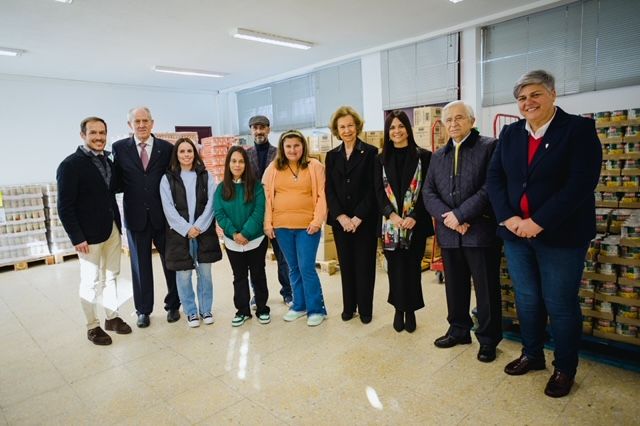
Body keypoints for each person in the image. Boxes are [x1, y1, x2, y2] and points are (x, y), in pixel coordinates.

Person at [487, 70, 601, 397]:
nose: (528, 102)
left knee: (560, 303)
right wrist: (508, 218)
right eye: (522, 98)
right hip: (515, 235)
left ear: (552, 94)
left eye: (535, 94)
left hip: (561, 236)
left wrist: (538, 221)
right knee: (526, 298)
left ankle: (565, 367)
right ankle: (532, 354)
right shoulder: (510, 134)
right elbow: (495, 179)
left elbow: (580, 183)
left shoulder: (578, 130)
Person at [423, 101, 502, 362]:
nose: (454, 123)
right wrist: (450, 219)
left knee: (486, 288)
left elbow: (490, 188)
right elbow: (428, 192)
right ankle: (458, 330)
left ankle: (488, 339)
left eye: (459, 118)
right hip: (449, 233)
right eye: (449, 120)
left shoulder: (489, 147)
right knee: (454, 286)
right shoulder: (438, 156)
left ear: (472, 120)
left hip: (479, 232)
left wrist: (460, 215)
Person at [57, 117, 131, 345]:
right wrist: (76, 237)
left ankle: (112, 317)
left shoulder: (107, 161)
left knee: (112, 277)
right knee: (90, 281)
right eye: (93, 133)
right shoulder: (70, 165)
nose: (99, 137)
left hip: (111, 229)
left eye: (102, 133)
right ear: (83, 135)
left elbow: (113, 189)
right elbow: (64, 206)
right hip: (88, 236)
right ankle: (93, 326)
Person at [112, 107, 180, 328]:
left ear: (152, 123)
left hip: (163, 216)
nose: (141, 125)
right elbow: (116, 182)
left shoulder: (166, 148)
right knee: (140, 267)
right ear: (129, 124)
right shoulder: (119, 149)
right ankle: (143, 310)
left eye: (145, 121)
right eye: (137, 121)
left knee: (170, 262)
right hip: (135, 217)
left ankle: (173, 305)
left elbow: (173, 181)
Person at [374, 110, 434, 333]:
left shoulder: (424, 156)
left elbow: (428, 190)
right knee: (395, 270)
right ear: (387, 132)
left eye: (400, 126)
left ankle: (411, 311)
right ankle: (398, 309)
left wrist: (413, 216)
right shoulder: (380, 159)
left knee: (411, 269)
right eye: (392, 127)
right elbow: (378, 191)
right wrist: (391, 214)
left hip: (414, 225)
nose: (396, 131)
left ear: (407, 129)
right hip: (390, 225)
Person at [263, 130, 328, 326]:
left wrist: (317, 221)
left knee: (306, 267)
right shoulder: (273, 168)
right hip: (282, 226)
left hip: (308, 227)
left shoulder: (315, 166)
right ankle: (299, 305)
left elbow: (322, 195)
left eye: (296, 146)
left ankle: (317, 309)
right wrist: (268, 223)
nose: (292, 150)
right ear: (283, 148)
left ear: (303, 146)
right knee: (293, 268)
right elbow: (265, 198)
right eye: (288, 146)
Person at [159, 138, 221, 328]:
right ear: (176, 155)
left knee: (205, 273)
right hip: (179, 235)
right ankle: (191, 312)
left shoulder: (206, 176)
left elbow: (212, 203)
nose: (186, 155)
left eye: (189, 151)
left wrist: (199, 227)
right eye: (182, 151)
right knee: (184, 274)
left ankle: (205, 310)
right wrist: (187, 229)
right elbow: (168, 208)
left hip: (203, 232)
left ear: (195, 153)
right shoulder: (167, 178)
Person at [325, 106, 378, 324]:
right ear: (337, 130)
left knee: (365, 266)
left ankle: (365, 309)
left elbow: (374, 189)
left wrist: (357, 217)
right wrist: (341, 217)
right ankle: (349, 307)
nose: (347, 130)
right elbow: (329, 189)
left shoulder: (371, 152)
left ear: (357, 126)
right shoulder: (332, 156)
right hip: (341, 223)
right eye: (342, 127)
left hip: (363, 221)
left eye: (350, 125)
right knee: (346, 265)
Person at [214, 146, 270, 326]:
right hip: (233, 242)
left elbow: (259, 211)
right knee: (239, 277)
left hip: (256, 239)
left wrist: (245, 233)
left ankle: (262, 308)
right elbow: (220, 214)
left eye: (241, 161)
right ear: (228, 164)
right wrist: (234, 233)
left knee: (258, 274)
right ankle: (242, 311)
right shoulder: (221, 188)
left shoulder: (257, 187)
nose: (237, 165)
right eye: (234, 161)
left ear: (246, 164)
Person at [245, 115, 292, 307]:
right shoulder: (245, 155)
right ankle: (258, 295)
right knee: (255, 261)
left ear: (268, 129)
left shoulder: (279, 154)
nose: (258, 131)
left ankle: (288, 293)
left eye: (262, 127)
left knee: (284, 257)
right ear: (251, 131)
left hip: (277, 214)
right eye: (255, 128)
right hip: (255, 215)